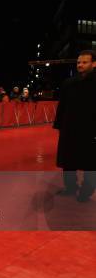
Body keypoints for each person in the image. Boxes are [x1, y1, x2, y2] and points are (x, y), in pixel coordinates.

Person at [53, 50, 96, 202]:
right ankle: (70, 187)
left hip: (91, 131)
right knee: (68, 161)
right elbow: (62, 106)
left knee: (91, 163)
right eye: (79, 62)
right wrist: (59, 126)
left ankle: (86, 191)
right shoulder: (69, 83)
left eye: (85, 62)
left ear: (94, 64)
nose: (80, 65)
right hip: (69, 129)